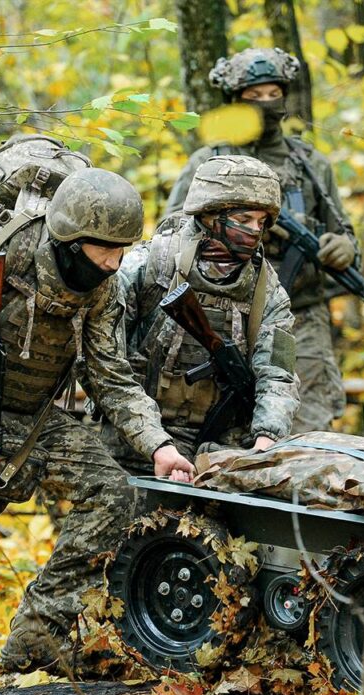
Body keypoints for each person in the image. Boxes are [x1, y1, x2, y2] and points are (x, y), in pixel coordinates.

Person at [0, 168, 195, 695]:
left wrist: (159, 445)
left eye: (122, 251)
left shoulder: (101, 289)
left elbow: (110, 377)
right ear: (72, 239)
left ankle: (34, 643)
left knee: (112, 493)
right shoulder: (0, 245)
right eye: (105, 251)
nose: (114, 264)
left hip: (31, 414)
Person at [165, 47, 360, 433]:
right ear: (235, 102)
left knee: (306, 424)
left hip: (299, 317)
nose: (266, 105)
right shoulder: (209, 162)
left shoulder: (311, 165)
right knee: (212, 423)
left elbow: (347, 236)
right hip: (218, 313)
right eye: (254, 97)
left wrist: (345, 247)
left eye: (274, 95)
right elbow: (169, 235)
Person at [102, 154, 299, 476]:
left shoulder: (268, 291)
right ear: (210, 214)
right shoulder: (150, 265)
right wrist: (153, 441)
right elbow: (104, 357)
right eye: (245, 218)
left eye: (262, 223)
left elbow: (278, 374)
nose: (254, 230)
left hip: (222, 448)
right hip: (133, 438)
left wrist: (265, 439)